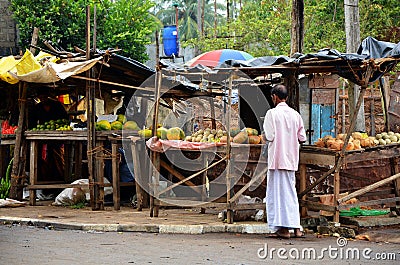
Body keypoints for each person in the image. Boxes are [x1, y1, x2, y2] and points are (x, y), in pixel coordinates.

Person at [263, 84, 307, 239]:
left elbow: (269, 136)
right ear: (286, 97)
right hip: (291, 159)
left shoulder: (271, 114)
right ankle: (297, 228)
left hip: (276, 160)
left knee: (276, 195)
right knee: (290, 193)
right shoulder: (296, 115)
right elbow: (302, 138)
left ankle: (283, 229)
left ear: (274, 97)